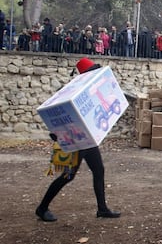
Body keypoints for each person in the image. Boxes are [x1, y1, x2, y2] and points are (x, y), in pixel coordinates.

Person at [35, 57, 121, 222]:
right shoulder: (70, 92)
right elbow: (57, 116)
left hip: (87, 140)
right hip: (75, 143)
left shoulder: (85, 90)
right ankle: (42, 208)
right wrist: (58, 135)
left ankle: (102, 209)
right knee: (68, 176)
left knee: (99, 170)